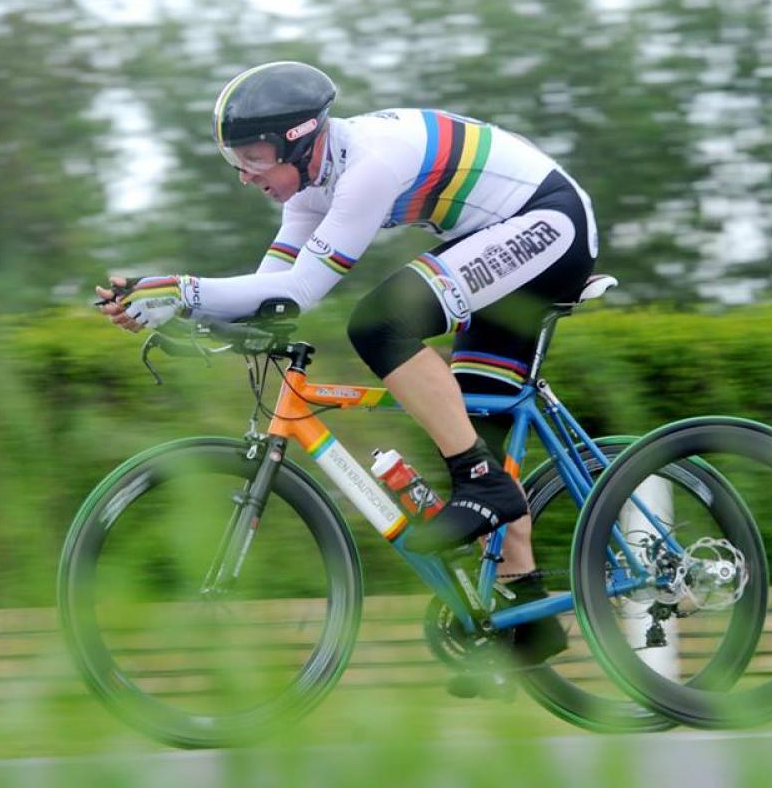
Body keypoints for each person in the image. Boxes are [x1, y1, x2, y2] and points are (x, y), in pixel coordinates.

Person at [96, 61, 597, 666]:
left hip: (548, 224)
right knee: (469, 422)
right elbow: (271, 291)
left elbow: (304, 290)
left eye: (254, 156)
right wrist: (177, 313)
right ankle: (528, 611)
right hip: (502, 242)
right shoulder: (311, 191)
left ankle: (482, 482)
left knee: (382, 323)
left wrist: (182, 289)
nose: (245, 175)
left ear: (300, 138)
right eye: (236, 160)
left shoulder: (369, 165)